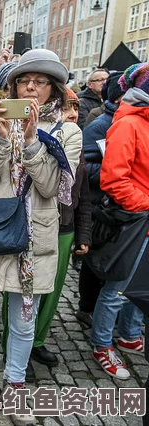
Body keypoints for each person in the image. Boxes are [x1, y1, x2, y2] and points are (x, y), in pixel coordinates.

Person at [0, 49, 81, 425]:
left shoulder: (67, 131)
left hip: (34, 241)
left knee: (24, 324)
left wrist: (32, 141)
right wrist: (3, 139)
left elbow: (54, 187)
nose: (31, 88)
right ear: (13, 87)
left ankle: (15, 387)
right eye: (24, 81)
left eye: (40, 82)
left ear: (53, 90)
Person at [2, 87, 92, 380]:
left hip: (65, 228)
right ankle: (13, 348)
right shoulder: (41, 133)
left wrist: (84, 234)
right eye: (68, 107)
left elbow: (84, 195)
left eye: (76, 108)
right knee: (19, 288)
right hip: (32, 222)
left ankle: (36, 342)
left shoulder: (75, 140)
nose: (73, 113)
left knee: (49, 292)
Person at [91, 63, 149, 380]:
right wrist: (145, 206)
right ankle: (102, 344)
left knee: (142, 289)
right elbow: (114, 180)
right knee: (118, 290)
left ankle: (129, 336)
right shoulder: (128, 124)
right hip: (134, 220)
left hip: (144, 218)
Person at [76, 71, 126, 326]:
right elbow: (84, 167)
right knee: (94, 261)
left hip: (121, 205)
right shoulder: (100, 125)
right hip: (100, 205)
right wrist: (118, 171)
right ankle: (87, 307)